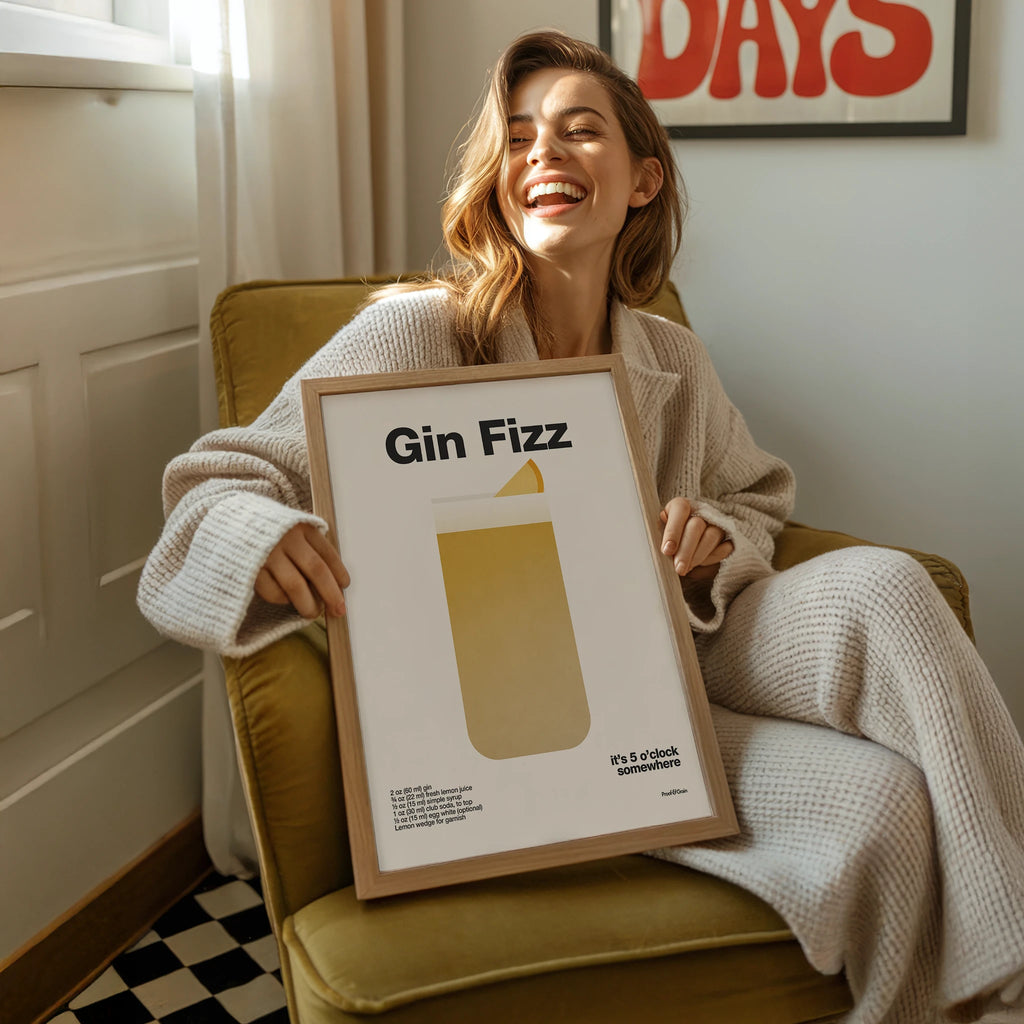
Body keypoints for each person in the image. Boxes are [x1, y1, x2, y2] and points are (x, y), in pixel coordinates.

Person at [138, 30, 1024, 1024]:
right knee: (881, 811)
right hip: (549, 705)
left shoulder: (672, 358)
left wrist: (714, 536)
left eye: (578, 131)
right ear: (498, 177)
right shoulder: (418, 330)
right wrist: (260, 535)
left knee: (888, 581)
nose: (541, 156)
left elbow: (756, 497)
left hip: (694, 646)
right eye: (517, 138)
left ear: (642, 179)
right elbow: (213, 485)